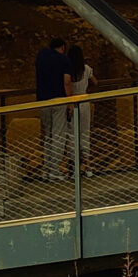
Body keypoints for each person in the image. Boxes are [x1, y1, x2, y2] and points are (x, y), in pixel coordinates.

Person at [33, 37, 74, 180]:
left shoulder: (41, 57)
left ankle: (46, 169)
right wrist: (70, 102)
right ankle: (55, 170)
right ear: (63, 47)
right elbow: (67, 82)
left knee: (48, 135)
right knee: (58, 135)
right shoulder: (64, 60)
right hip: (59, 99)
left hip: (42, 100)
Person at [65, 45, 97, 160]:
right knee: (85, 132)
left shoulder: (67, 70)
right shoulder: (86, 69)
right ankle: (87, 164)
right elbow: (95, 82)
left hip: (71, 102)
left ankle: (73, 165)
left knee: (72, 133)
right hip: (84, 101)